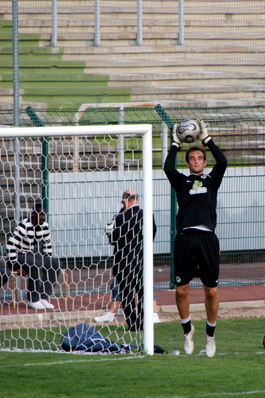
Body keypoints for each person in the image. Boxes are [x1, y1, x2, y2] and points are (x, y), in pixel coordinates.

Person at [163, 119, 227, 358]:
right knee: (181, 290)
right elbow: (168, 169)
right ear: (188, 162)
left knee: (211, 291)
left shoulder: (212, 180)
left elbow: (223, 161)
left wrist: (207, 138)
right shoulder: (182, 182)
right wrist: (175, 144)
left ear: (204, 161)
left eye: (200, 158)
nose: (196, 161)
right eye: (192, 159)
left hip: (207, 239)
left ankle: (210, 336)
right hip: (185, 238)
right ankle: (187, 329)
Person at [103, 190, 157, 331]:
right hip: (142, 262)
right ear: (137, 200)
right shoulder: (147, 215)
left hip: (124, 263)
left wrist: (109, 232)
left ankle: (133, 325)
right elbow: (152, 235)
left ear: (125, 201)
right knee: (143, 294)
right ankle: (143, 323)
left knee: (127, 296)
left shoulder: (120, 217)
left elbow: (114, 239)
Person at [6, 202, 60, 310]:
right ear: (33, 214)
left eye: (44, 214)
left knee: (55, 263)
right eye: (40, 214)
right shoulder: (25, 225)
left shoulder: (45, 227)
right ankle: (33, 299)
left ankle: (43, 296)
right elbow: (10, 244)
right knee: (36, 264)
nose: (43, 217)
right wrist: (14, 265)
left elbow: (47, 246)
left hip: (31, 255)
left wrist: (47, 262)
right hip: (18, 255)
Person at [94, 278, 161, 324]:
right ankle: (111, 314)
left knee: (146, 285)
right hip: (125, 260)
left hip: (140, 260)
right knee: (118, 286)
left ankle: (154, 315)